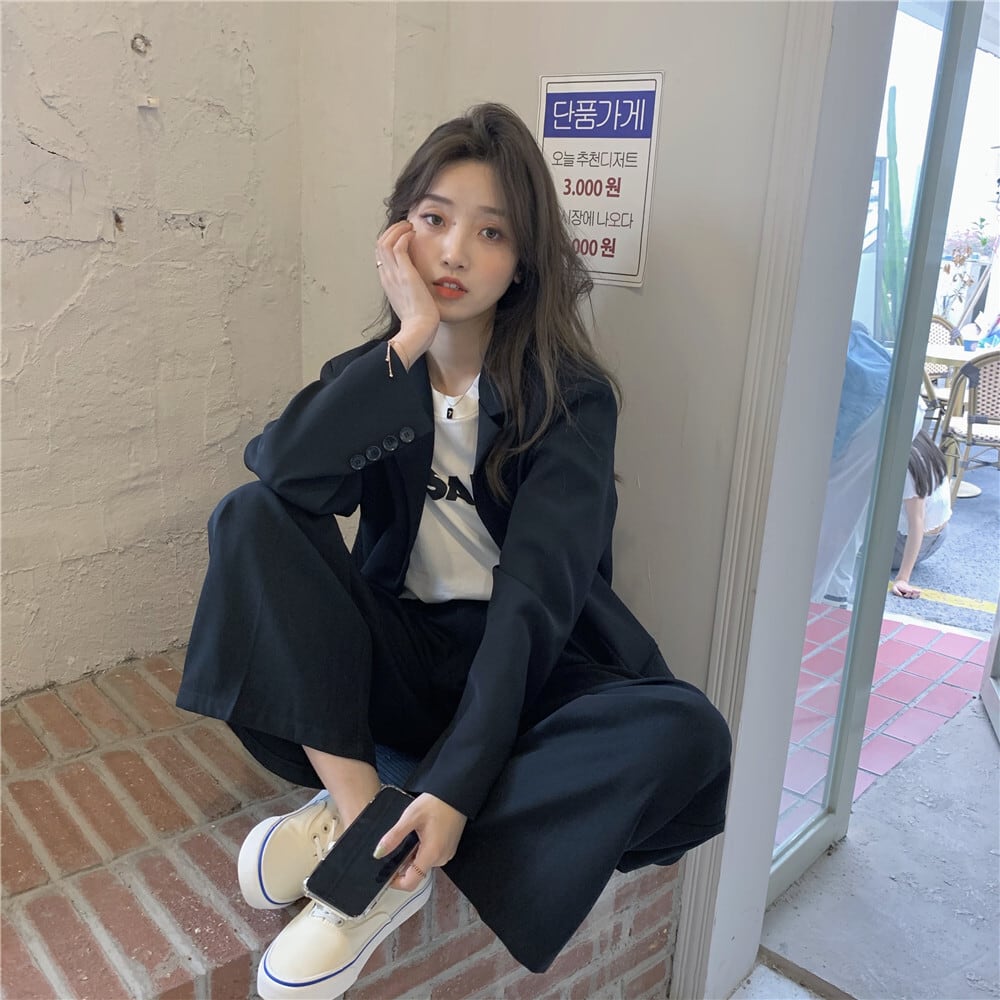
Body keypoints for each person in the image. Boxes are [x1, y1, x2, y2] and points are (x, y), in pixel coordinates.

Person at [176, 102, 731, 1000]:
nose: (455, 252)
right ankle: (366, 825)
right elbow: (285, 474)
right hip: (400, 652)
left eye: (491, 232)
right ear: (400, 233)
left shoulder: (571, 399)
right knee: (249, 516)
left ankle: (401, 821)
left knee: (687, 736)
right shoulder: (378, 373)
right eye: (434, 220)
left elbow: (536, 602)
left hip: (524, 671)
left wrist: (462, 786)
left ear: (523, 261)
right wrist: (407, 340)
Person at [811, 321, 892, 604]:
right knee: (847, 513)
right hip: (887, 387)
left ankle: (807, 607)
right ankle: (832, 596)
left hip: (867, 405)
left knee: (827, 519)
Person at [890, 428, 952, 599]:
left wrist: (902, 578)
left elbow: (917, 522)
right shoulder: (921, 442)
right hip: (939, 535)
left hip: (905, 545)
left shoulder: (906, 464)